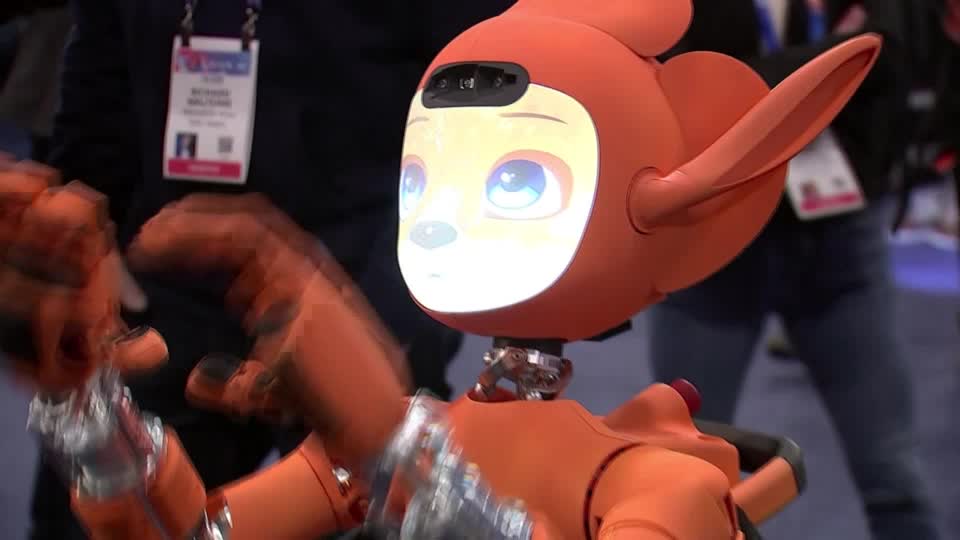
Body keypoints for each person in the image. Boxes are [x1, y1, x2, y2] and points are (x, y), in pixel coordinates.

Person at [28, 1, 515, 539]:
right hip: (165, 298)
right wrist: (68, 267)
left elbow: (479, 122)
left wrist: (394, 329)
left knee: (386, 510)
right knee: (105, 511)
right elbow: (99, 104)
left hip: (360, 307)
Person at [648, 1, 940, 539]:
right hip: (714, 251)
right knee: (677, 479)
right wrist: (837, 60)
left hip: (839, 246)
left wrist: (765, 85)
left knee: (894, 476)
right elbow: (695, 94)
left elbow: (894, 58)